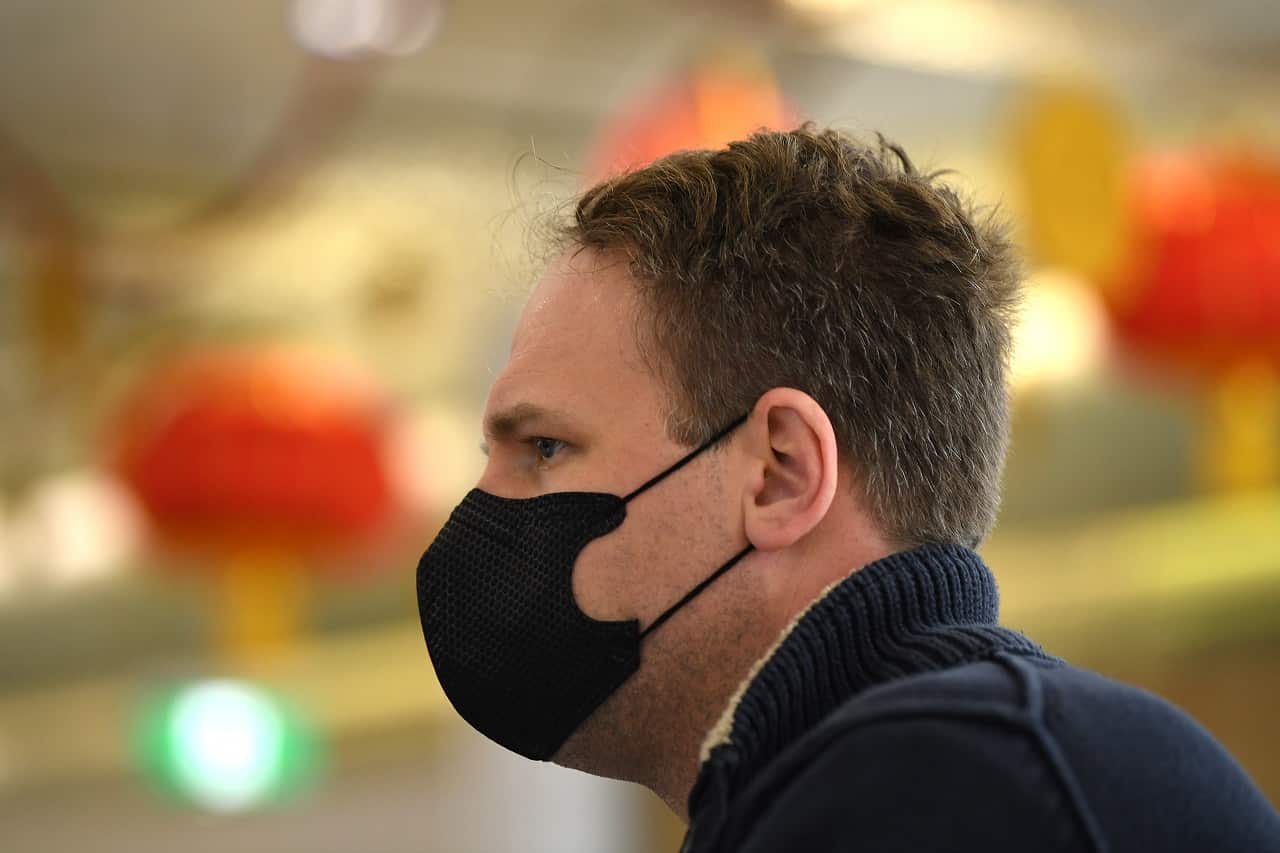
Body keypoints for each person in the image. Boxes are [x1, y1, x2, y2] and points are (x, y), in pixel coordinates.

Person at [415, 125, 1280, 851]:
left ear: (781, 473)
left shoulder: (945, 790)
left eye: (546, 447)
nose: (479, 512)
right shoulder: (961, 761)